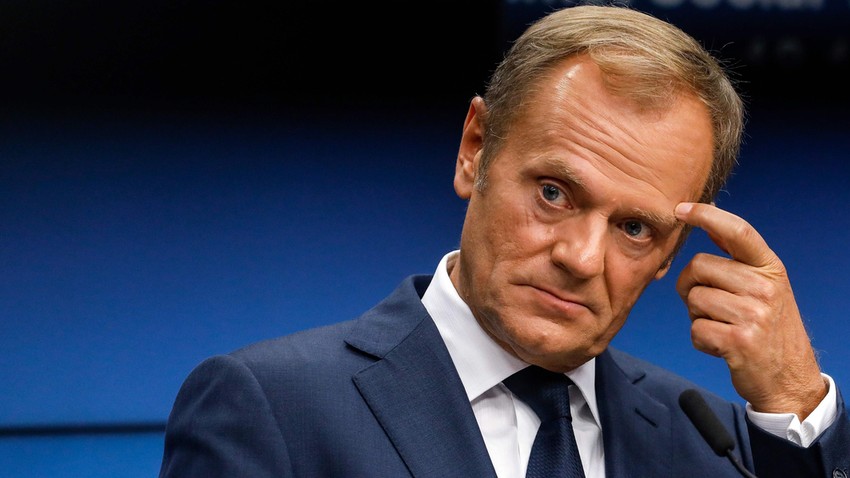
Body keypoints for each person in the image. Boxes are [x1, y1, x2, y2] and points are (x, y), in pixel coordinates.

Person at [158, 5, 849, 478]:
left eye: (634, 228)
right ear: (475, 149)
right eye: (554, 192)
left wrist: (793, 395)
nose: (581, 258)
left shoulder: (714, 445)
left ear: (671, 252)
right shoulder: (274, 407)